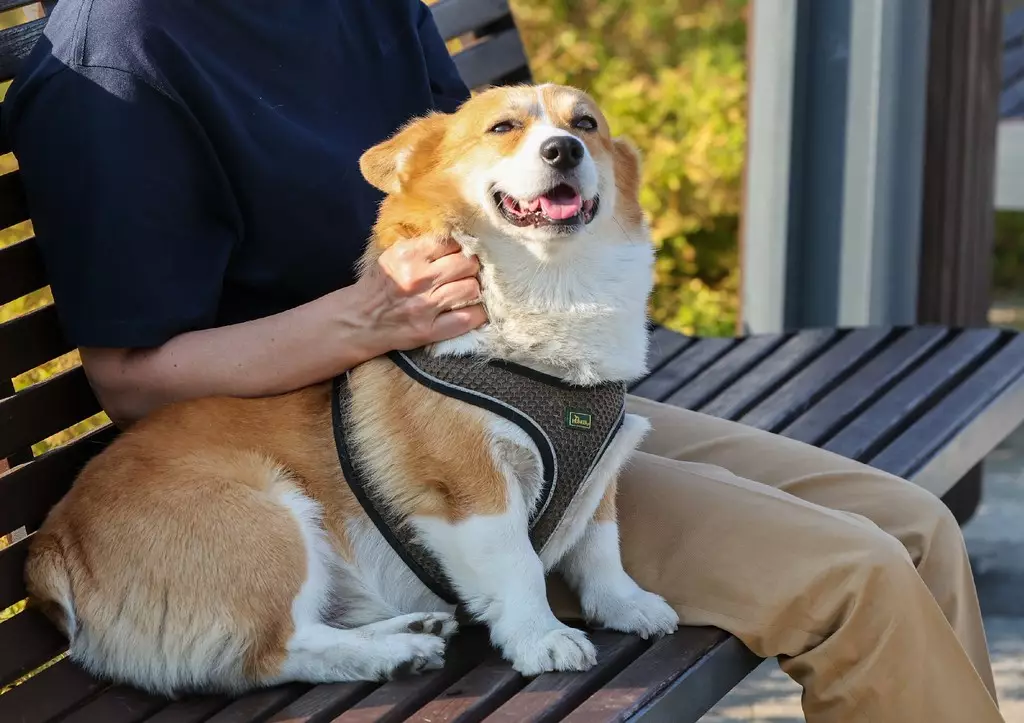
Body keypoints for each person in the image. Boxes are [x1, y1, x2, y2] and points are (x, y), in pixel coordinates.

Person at [3, 1, 1003, 721]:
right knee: (857, 580)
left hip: (518, 376)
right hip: (376, 465)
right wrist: (363, 322)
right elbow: (132, 379)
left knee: (909, 527)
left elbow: (479, 165)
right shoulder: (121, 57)